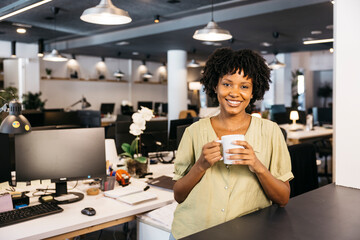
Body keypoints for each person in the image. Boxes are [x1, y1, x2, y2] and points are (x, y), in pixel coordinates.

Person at [170, 48, 294, 239]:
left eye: (244, 86)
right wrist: (200, 165)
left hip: (247, 233)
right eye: (227, 84)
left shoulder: (270, 132)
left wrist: (257, 166)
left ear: (253, 92)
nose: (235, 93)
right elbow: (179, 195)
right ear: (215, 86)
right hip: (192, 232)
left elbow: (283, 198)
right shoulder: (193, 132)